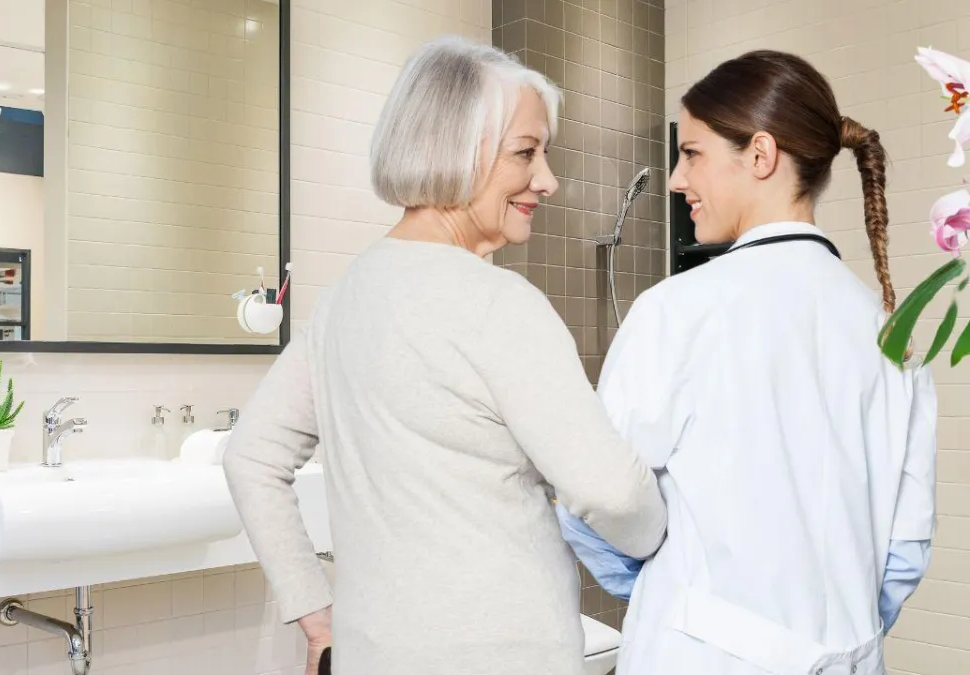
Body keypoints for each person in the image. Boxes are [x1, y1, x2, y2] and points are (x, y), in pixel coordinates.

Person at [222, 36, 667, 675]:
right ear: (456, 151)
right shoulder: (499, 303)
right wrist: (665, 546)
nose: (547, 179)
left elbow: (250, 457)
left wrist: (317, 615)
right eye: (526, 153)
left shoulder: (344, 298)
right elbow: (613, 492)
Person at [556, 50, 938, 675]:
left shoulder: (676, 311)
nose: (678, 179)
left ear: (760, 156)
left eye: (693, 153)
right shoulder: (892, 333)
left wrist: (677, 600)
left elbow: (595, 502)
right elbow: (903, 555)